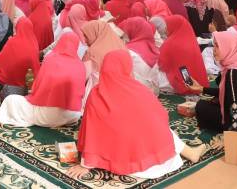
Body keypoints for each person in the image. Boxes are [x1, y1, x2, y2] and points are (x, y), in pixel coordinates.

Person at [67, 50, 204, 180]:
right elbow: (161, 117)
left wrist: (86, 164)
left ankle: (190, 152)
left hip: (127, 164)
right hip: (164, 159)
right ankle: (190, 152)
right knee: (154, 125)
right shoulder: (140, 89)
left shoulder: (97, 94)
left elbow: (93, 132)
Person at [0, 32, 85, 128]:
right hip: (72, 115)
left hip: (48, 115)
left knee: (10, 100)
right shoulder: (80, 65)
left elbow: (39, 88)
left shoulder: (51, 58)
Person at [158, 15, 208, 95]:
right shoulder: (191, 39)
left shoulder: (170, 42)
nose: (165, 29)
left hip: (179, 83)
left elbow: (161, 65)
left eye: (167, 26)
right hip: (197, 82)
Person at [0, 18, 40, 89]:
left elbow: (0, 61)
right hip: (29, 81)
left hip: (10, 81)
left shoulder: (13, 42)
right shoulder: (34, 43)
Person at [122, 17, 161, 94]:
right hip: (153, 93)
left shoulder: (129, 52)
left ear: (132, 31)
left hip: (136, 93)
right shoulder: (154, 49)